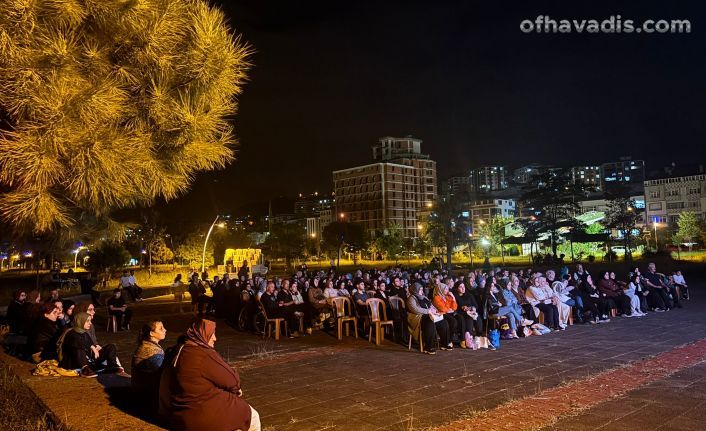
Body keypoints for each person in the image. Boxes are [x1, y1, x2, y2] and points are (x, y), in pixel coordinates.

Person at [159, 319, 260, 431]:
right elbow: (232, 380)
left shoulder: (180, 350)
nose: (215, 338)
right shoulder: (203, 354)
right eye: (212, 334)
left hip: (180, 414)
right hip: (201, 415)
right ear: (203, 335)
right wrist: (236, 390)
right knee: (253, 416)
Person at [58, 312, 122, 377]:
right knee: (79, 347)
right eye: (87, 321)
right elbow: (78, 344)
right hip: (75, 362)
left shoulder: (84, 332)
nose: (90, 323)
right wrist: (92, 348)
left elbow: (90, 343)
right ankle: (85, 369)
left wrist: (94, 348)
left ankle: (111, 365)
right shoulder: (71, 333)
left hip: (89, 359)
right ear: (81, 321)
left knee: (111, 347)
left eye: (90, 321)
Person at [132, 321, 167, 412]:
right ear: (151, 333)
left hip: (140, 389)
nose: (165, 330)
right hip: (146, 393)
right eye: (161, 328)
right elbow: (161, 374)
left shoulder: (147, 345)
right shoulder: (151, 350)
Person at [406, 282, 449, 354]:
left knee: (443, 322)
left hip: (430, 315)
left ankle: (444, 344)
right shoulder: (411, 299)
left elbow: (431, 305)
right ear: (415, 290)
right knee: (429, 322)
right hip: (419, 317)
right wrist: (428, 311)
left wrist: (435, 311)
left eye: (422, 289)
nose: (422, 291)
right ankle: (429, 347)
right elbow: (415, 309)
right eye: (420, 290)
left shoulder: (424, 297)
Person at [452, 282, 483, 349]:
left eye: (464, 287)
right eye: (460, 287)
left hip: (471, 312)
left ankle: (478, 337)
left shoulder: (469, 295)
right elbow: (455, 308)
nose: (463, 288)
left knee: (478, 319)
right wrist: (463, 308)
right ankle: (469, 339)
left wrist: (471, 308)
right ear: (457, 288)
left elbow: (475, 305)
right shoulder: (455, 296)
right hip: (461, 313)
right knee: (469, 319)